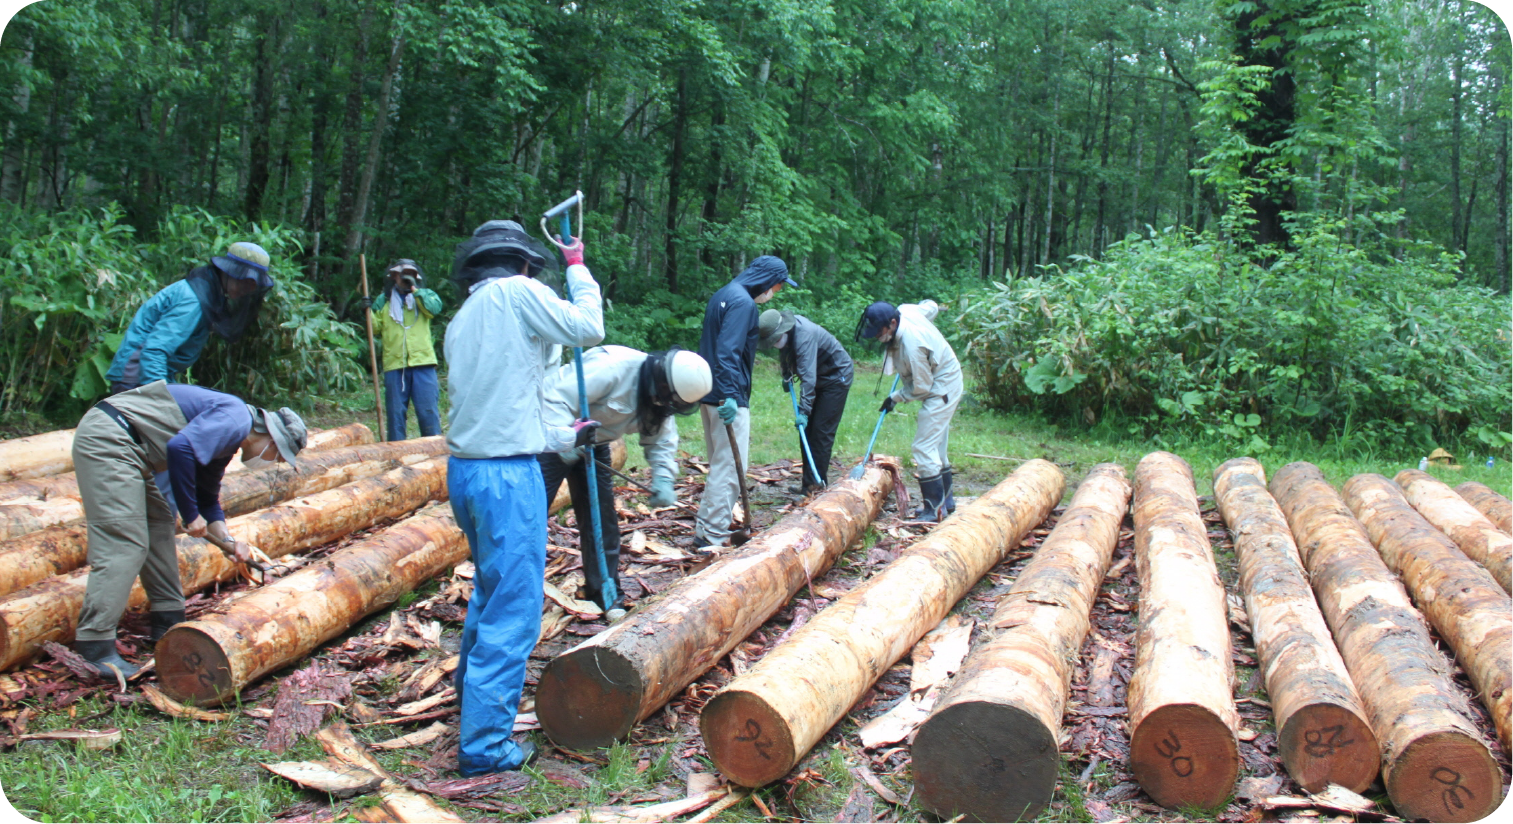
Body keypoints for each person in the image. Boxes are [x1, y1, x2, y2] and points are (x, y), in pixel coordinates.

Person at [444, 219, 603, 775]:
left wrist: (563, 437)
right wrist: (578, 267)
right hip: (507, 476)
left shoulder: (464, 318)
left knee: (491, 592)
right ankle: (485, 747)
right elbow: (588, 326)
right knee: (513, 610)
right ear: (523, 264)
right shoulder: (519, 293)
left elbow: (511, 396)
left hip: (466, 471)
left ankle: (471, 705)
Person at [71, 379, 305, 677]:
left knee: (158, 526)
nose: (273, 462)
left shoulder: (229, 438)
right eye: (278, 456)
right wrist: (190, 513)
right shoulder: (235, 418)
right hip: (110, 439)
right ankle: (95, 649)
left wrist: (228, 540)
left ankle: (168, 624)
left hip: (132, 452)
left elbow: (207, 496)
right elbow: (179, 448)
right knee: (126, 542)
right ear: (271, 439)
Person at [539, 346, 712, 615]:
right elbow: (554, 397)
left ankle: (604, 594)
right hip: (552, 438)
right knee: (530, 515)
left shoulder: (660, 397)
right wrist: (565, 437)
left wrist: (664, 478)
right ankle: (514, 595)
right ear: (664, 382)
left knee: (602, 520)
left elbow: (662, 438)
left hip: (594, 442)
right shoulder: (612, 368)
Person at [695, 255, 797, 546]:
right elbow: (728, 351)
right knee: (728, 469)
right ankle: (711, 538)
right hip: (727, 397)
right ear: (767, 281)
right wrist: (730, 395)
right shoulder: (743, 303)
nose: (775, 293)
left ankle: (706, 529)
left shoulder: (723, 294)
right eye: (777, 287)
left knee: (720, 464)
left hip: (708, 391)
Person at [106, 241, 276, 393]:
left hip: (149, 376)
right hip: (136, 378)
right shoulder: (193, 301)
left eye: (253, 284)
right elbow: (154, 350)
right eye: (245, 280)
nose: (248, 289)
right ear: (229, 272)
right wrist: (158, 397)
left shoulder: (208, 292)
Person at [855, 299, 962, 521]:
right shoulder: (906, 310)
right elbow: (929, 307)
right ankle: (946, 501)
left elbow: (922, 387)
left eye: (879, 332)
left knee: (924, 447)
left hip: (942, 386)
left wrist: (896, 397)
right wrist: (934, 305)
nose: (877, 336)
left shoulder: (913, 346)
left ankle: (934, 510)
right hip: (938, 379)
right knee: (936, 446)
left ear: (893, 323)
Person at [757, 309, 853, 492]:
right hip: (818, 377)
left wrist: (804, 411)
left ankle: (817, 485)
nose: (775, 344)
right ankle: (808, 484)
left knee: (821, 433)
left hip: (836, 378)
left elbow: (808, 378)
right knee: (806, 433)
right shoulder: (787, 335)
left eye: (775, 340)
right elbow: (785, 353)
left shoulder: (803, 337)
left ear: (783, 331)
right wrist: (786, 374)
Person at [370, 259, 443, 441]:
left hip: (423, 363)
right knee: (395, 413)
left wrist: (414, 290)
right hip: (395, 363)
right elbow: (374, 328)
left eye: (408, 273)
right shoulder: (383, 300)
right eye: (400, 273)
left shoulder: (426, 295)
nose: (403, 277)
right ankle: (396, 456)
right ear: (393, 276)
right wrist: (368, 311)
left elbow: (433, 309)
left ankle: (433, 453)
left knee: (428, 410)